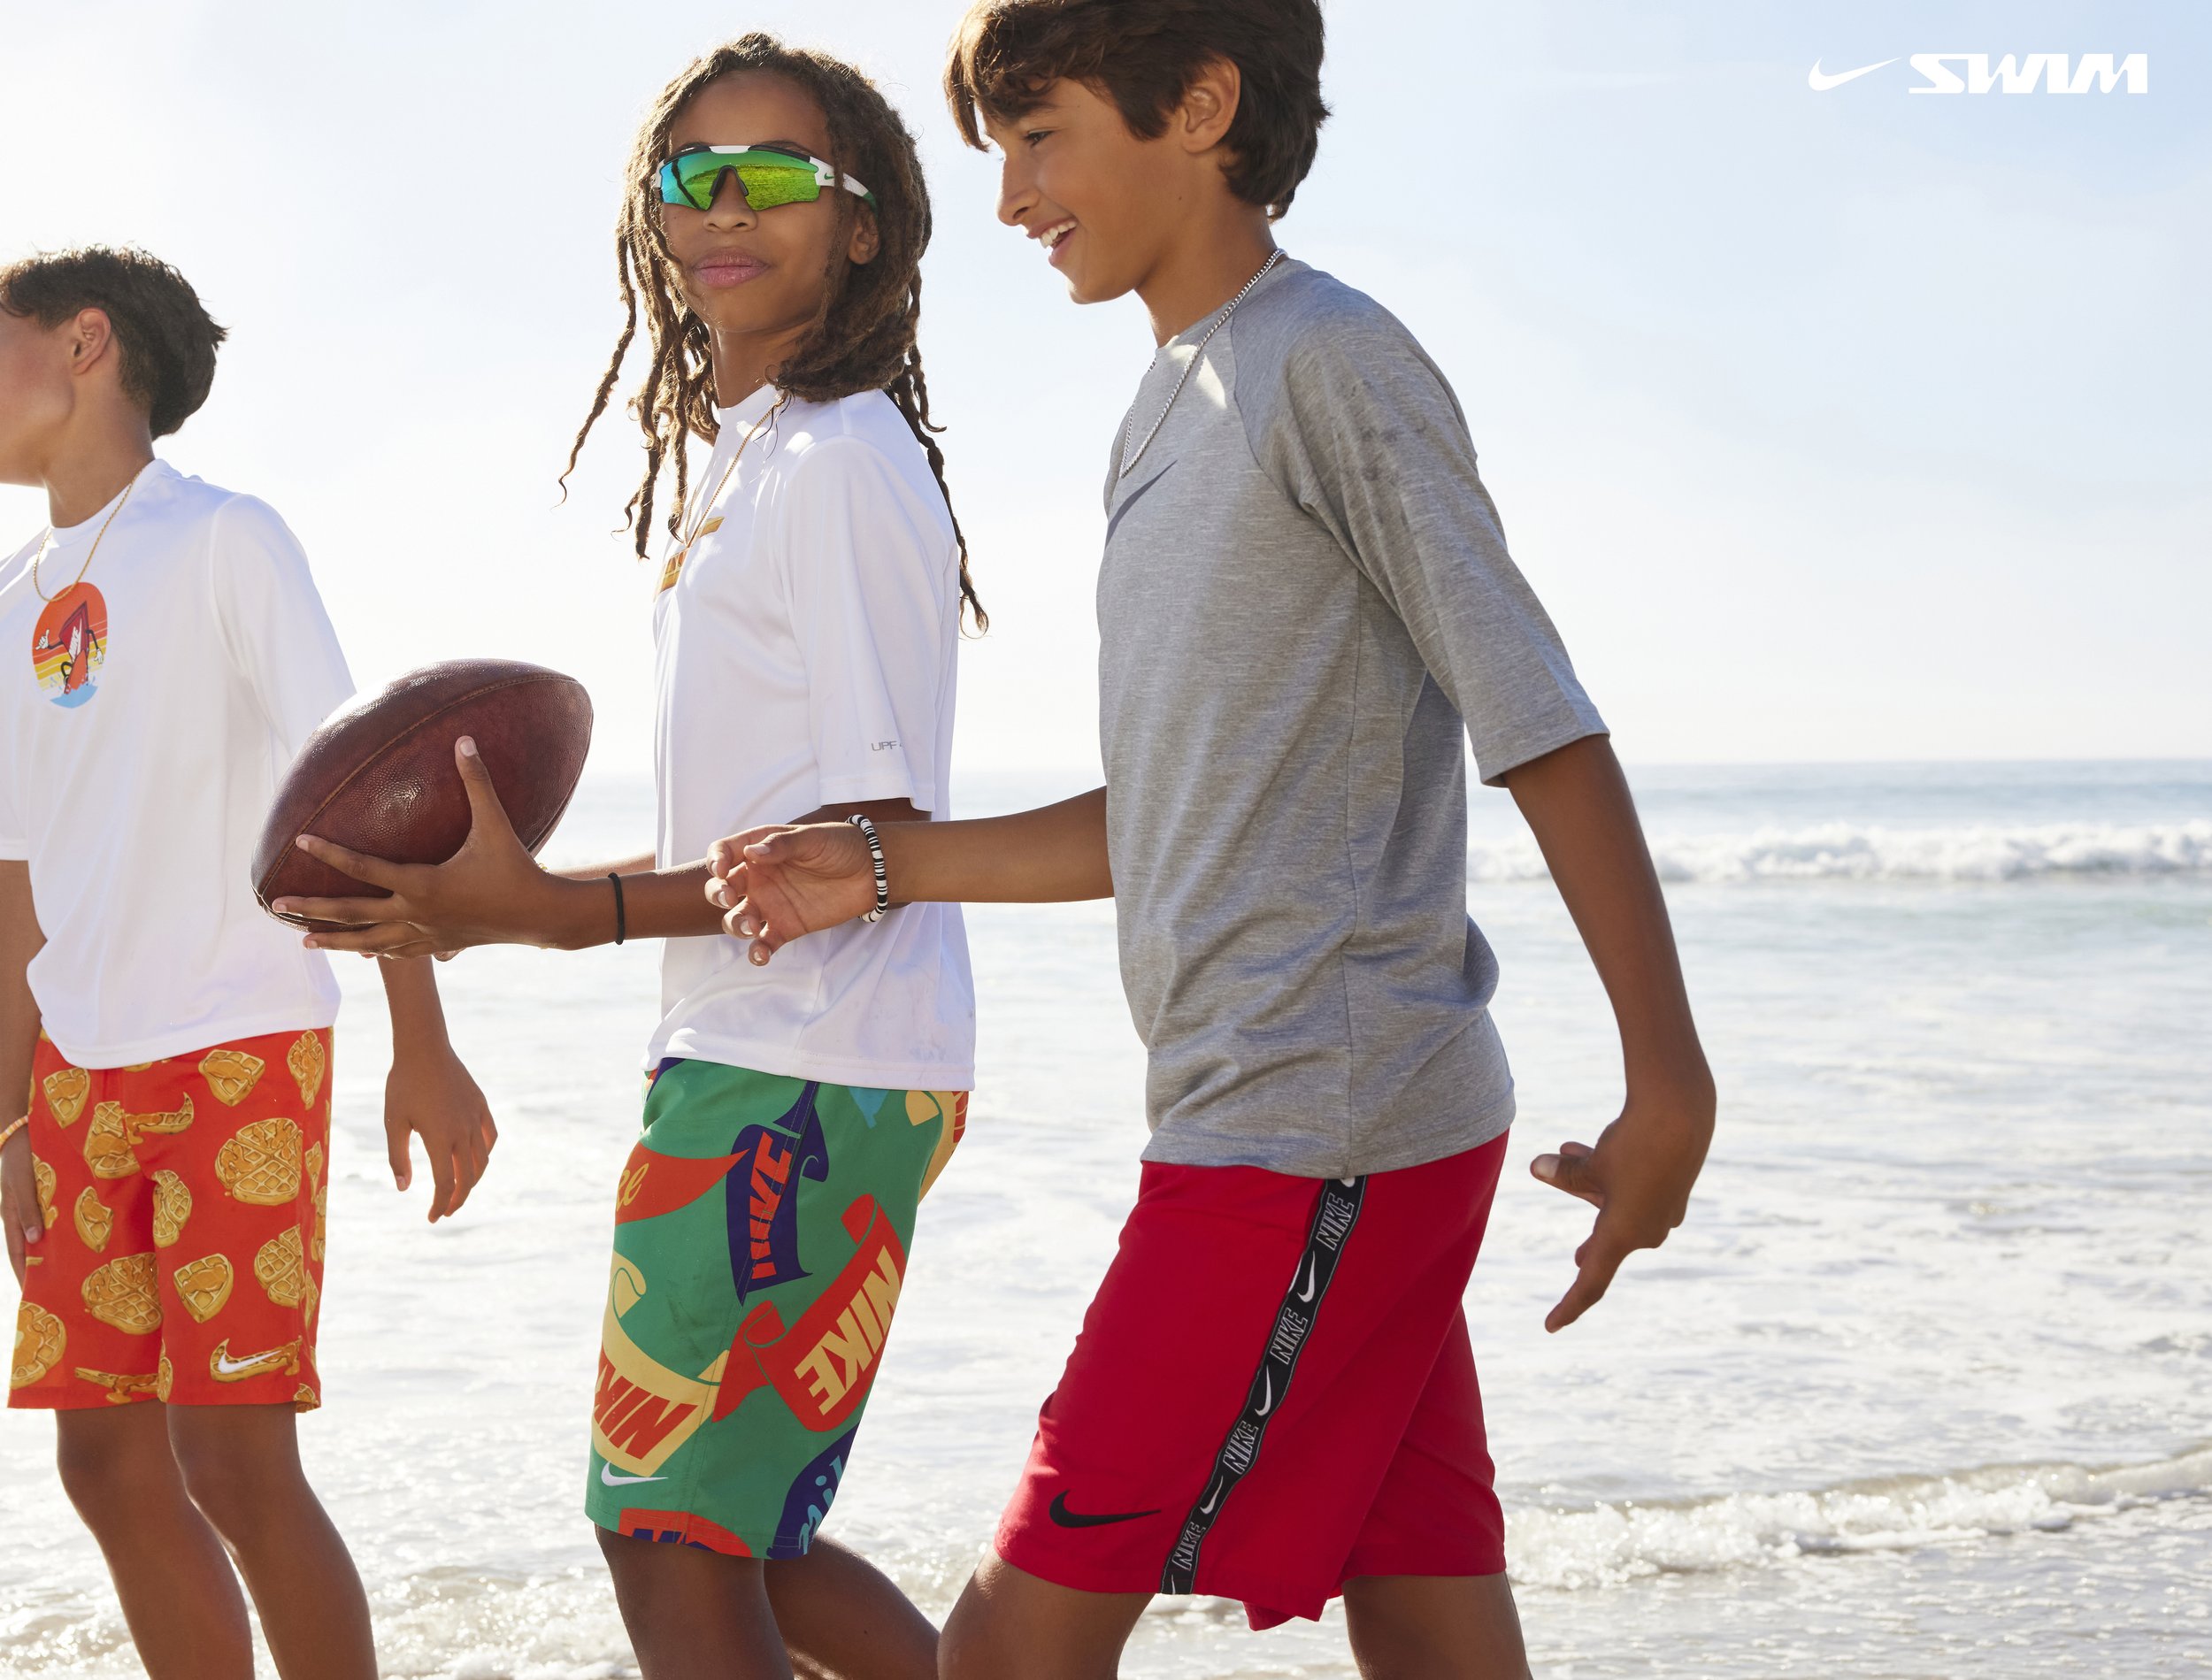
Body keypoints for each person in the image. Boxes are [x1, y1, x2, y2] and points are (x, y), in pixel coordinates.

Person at [706, 3, 1719, 1676]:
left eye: (1042, 141)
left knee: (1012, 1652)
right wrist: (884, 866)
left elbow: (1537, 712)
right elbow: (1172, 810)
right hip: (1300, 1113)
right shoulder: (1167, 411)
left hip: (1310, 1126)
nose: (1016, 202)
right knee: (1433, 1615)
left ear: (1200, 106)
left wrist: (1667, 1077)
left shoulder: (1328, 363)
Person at [273, 36, 979, 1680]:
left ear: (861, 224)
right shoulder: (753, 462)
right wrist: (482, 911)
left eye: (776, 176)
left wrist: (550, 915)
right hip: (759, 1049)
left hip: (812, 1066)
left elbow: (879, 847)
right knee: (736, 1542)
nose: (724, 209)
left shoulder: (843, 464)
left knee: (670, 1535)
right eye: (691, 175)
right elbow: (763, 832)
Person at [0, 246, 495, 1679]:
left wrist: (422, 1036)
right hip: (79, 1073)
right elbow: (19, 879)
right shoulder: (14, 589)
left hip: (238, 1045)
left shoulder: (225, 538)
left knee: (234, 1458)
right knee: (101, 1461)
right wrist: (12, 1110)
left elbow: (359, 794)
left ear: (86, 344)